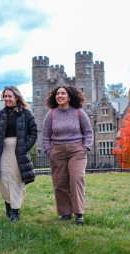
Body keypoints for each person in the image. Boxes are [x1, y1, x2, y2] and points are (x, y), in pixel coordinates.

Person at [42, 85, 93, 224]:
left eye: (63, 93)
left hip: (77, 150)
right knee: (60, 182)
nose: (60, 96)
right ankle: (65, 213)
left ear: (69, 97)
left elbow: (88, 132)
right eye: (57, 94)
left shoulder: (78, 112)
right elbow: (45, 135)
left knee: (77, 179)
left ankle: (79, 213)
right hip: (57, 151)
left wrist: (85, 147)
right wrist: (49, 151)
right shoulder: (51, 114)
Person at [0, 86, 37, 222]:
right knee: (4, 180)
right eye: (5, 96)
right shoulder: (0, 114)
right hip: (3, 151)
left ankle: (15, 212)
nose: (7, 99)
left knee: (16, 180)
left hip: (19, 152)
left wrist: (25, 147)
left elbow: (33, 132)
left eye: (9, 96)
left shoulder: (26, 113)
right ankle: (9, 207)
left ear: (16, 97)